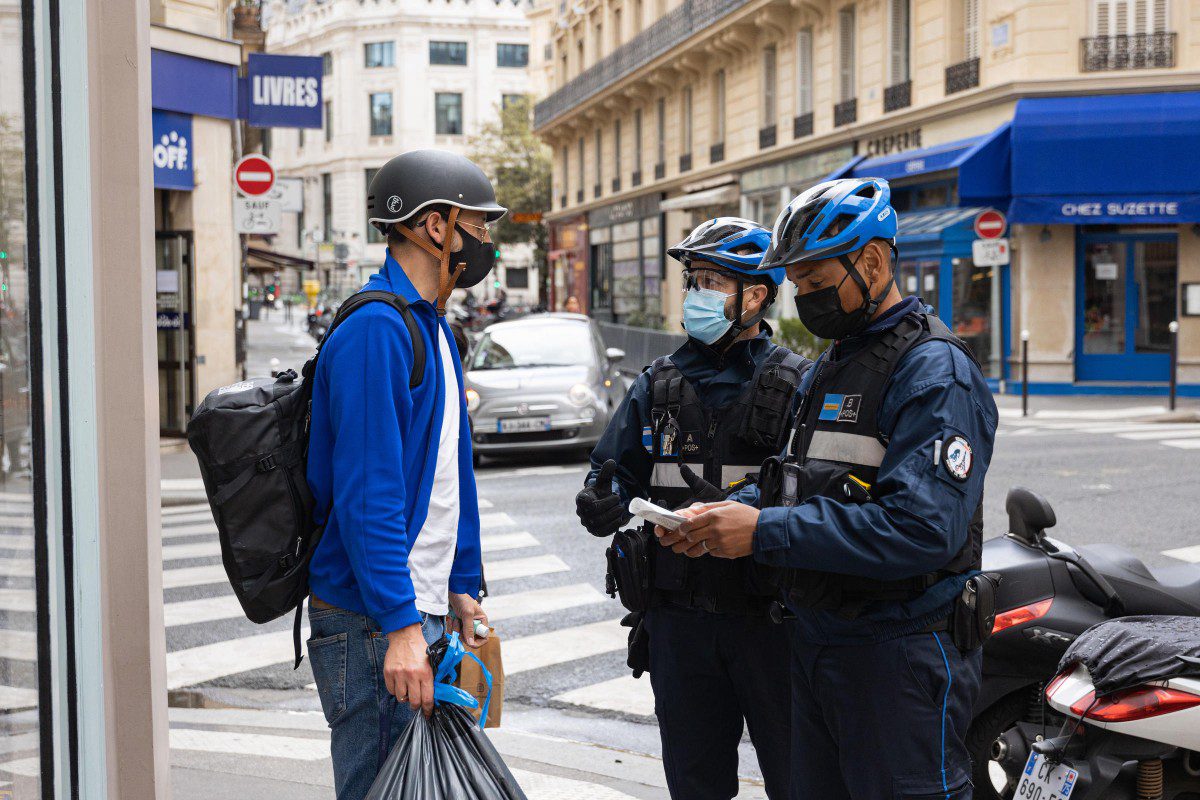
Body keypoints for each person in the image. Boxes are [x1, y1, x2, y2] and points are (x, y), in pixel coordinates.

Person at [662, 179, 999, 800]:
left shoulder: (933, 371)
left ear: (872, 261)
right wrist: (728, 514)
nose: (805, 299)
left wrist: (762, 532)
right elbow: (803, 485)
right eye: (799, 285)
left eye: (816, 281)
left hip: (899, 654)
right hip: (819, 644)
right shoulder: (834, 362)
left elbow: (922, 528)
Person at [575, 218, 810, 800]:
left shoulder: (798, 383)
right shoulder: (656, 384)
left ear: (755, 295)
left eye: (712, 281)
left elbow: (816, 489)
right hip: (679, 625)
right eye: (694, 280)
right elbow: (611, 468)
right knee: (694, 784)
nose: (696, 294)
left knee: (796, 778)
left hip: (770, 622)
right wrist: (599, 498)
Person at [305, 149, 504, 800]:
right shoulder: (376, 331)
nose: (486, 240)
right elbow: (369, 497)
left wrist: (460, 584)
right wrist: (400, 626)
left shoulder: (431, 328)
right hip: (373, 622)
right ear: (435, 227)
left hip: (414, 610)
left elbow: (448, 477)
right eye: (477, 223)